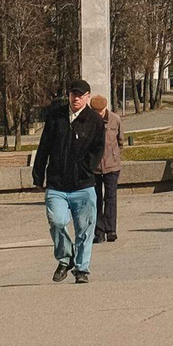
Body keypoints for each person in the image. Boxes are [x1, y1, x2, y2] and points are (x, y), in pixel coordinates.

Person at [33, 80, 107, 283]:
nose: (76, 98)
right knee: (57, 222)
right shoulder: (55, 116)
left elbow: (98, 149)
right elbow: (44, 147)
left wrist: (85, 169)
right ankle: (66, 258)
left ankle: (82, 269)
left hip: (83, 185)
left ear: (87, 97)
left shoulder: (94, 121)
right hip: (57, 184)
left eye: (81, 95)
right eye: (73, 94)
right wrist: (38, 175)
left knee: (84, 229)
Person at [91, 92, 124, 242]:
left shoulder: (115, 119)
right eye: (96, 112)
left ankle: (111, 230)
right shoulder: (89, 121)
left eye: (101, 111)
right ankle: (99, 232)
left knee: (110, 197)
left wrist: (114, 154)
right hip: (94, 167)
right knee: (96, 199)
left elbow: (120, 141)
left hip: (112, 165)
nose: (99, 114)